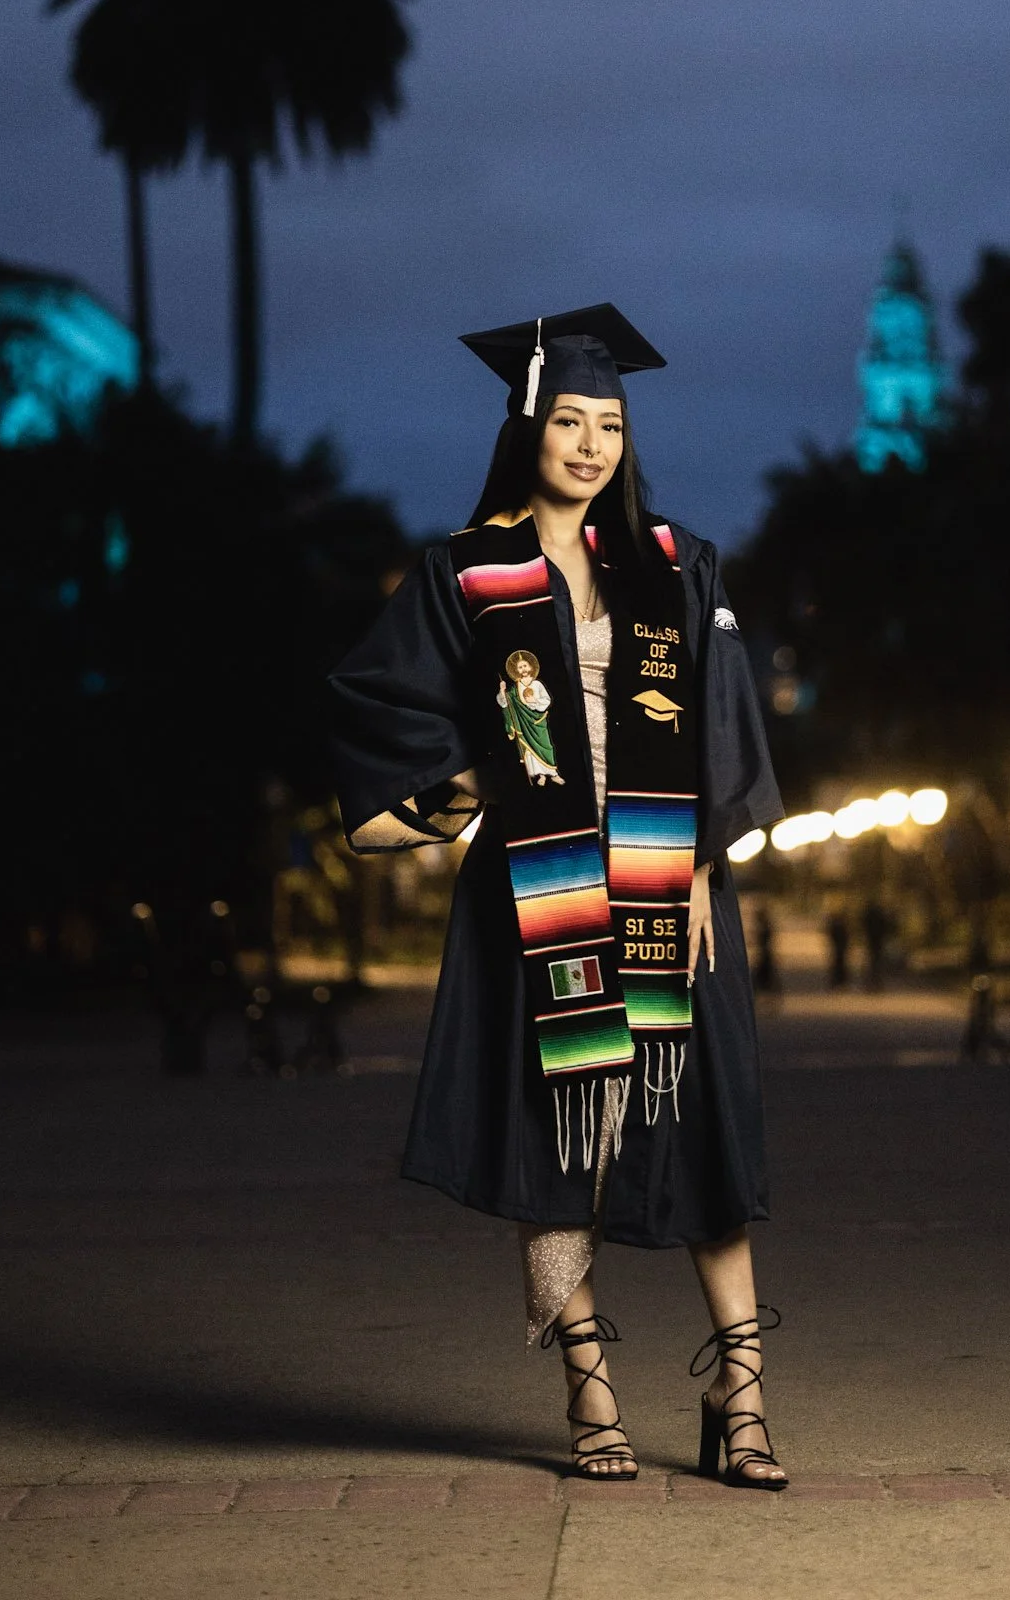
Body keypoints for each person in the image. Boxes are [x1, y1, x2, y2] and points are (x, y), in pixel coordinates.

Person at [327, 305, 787, 1489]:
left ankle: (741, 1394)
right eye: (569, 419)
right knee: (557, 1141)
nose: (591, 443)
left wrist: (696, 873)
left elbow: (719, 732)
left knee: (702, 1135)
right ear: (527, 424)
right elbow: (384, 707)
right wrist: (464, 779)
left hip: (659, 887)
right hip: (535, 894)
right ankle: (591, 1393)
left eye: (611, 422)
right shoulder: (465, 571)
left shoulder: (677, 566)